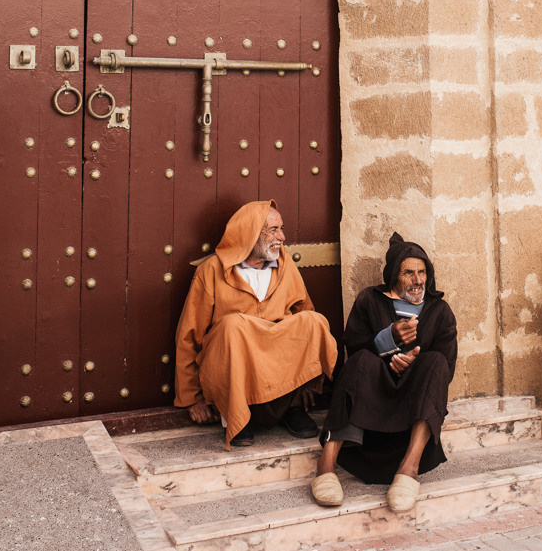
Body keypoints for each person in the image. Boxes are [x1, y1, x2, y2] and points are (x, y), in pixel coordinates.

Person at [312, 231, 457, 514]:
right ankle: (326, 466)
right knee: (360, 362)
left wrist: (413, 363)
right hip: (373, 396)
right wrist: (387, 339)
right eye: (408, 273)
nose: (417, 280)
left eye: (422, 272)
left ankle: (409, 468)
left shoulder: (440, 311)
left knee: (437, 363)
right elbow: (354, 346)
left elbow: (447, 367)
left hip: (413, 402)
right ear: (393, 276)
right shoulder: (370, 300)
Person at [174, 199, 337, 449]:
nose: (282, 237)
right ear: (250, 233)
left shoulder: (285, 266)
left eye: (281, 229)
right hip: (234, 364)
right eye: (273, 230)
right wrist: (191, 398)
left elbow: (305, 313)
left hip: (277, 364)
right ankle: (239, 416)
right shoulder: (212, 271)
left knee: (313, 321)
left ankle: (292, 406)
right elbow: (189, 335)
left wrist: (307, 380)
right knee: (232, 326)